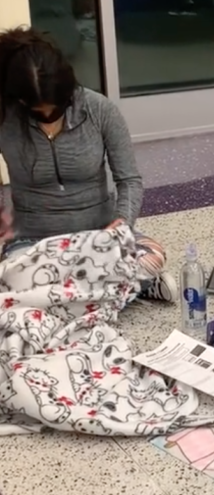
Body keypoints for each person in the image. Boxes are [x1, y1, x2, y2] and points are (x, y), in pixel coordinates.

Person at [0, 27, 175, 301]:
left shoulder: (99, 109)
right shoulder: (5, 117)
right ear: (19, 100)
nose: (47, 116)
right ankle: (123, 290)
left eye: (56, 107)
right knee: (13, 278)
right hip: (34, 241)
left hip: (98, 236)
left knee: (152, 256)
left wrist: (121, 225)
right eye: (37, 112)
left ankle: (68, 297)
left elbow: (129, 179)